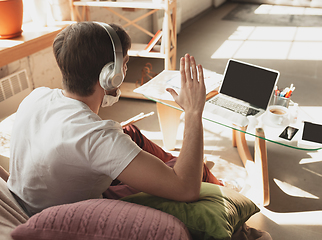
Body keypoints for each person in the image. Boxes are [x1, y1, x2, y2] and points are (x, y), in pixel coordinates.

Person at [7, 21, 222, 217]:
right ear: (111, 75)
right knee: (194, 170)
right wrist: (193, 112)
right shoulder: (98, 137)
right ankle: (220, 187)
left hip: (31, 203)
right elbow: (186, 189)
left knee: (131, 133)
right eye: (125, 64)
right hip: (69, 219)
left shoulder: (35, 96)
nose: (125, 70)